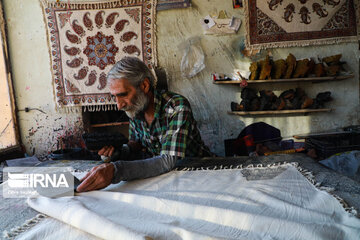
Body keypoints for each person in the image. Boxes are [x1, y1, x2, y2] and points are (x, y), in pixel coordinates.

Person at [77, 57, 212, 192]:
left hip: (201, 173)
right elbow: (135, 144)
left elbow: (168, 160)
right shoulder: (136, 108)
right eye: (114, 97)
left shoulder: (177, 106)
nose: (119, 105)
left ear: (145, 86)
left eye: (123, 95)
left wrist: (116, 170)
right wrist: (116, 153)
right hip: (166, 176)